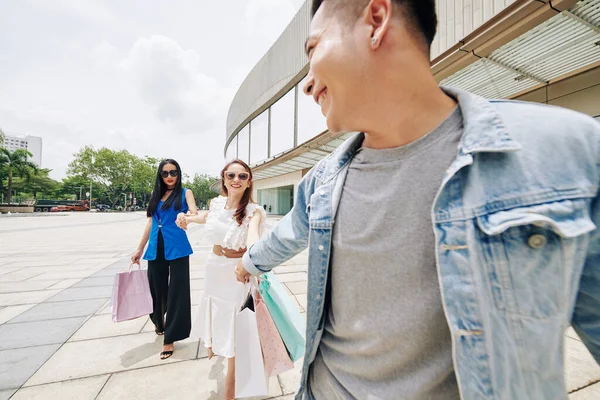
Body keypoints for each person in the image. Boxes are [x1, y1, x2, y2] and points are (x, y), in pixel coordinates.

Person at [234, 0, 600, 399]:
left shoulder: (566, 151)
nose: (307, 83)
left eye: (313, 49)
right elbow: (288, 234)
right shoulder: (323, 179)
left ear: (376, 20)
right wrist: (249, 263)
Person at [177, 159, 265, 400]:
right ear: (224, 180)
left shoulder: (253, 212)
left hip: (237, 273)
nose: (236, 180)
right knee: (218, 315)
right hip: (214, 269)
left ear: (249, 183)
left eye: (242, 176)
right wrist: (187, 218)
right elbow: (207, 217)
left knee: (235, 326)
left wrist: (253, 258)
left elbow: (254, 238)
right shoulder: (217, 204)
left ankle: (230, 389)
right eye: (231, 175)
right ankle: (220, 356)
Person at [131, 159, 198, 360]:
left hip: (177, 246)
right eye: (165, 173)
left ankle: (171, 336)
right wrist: (139, 248)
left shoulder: (185, 192)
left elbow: (194, 213)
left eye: (173, 172)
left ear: (179, 174)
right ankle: (158, 321)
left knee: (178, 291)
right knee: (156, 288)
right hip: (155, 246)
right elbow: (150, 222)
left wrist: (186, 218)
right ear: (160, 175)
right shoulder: (156, 195)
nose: (170, 177)